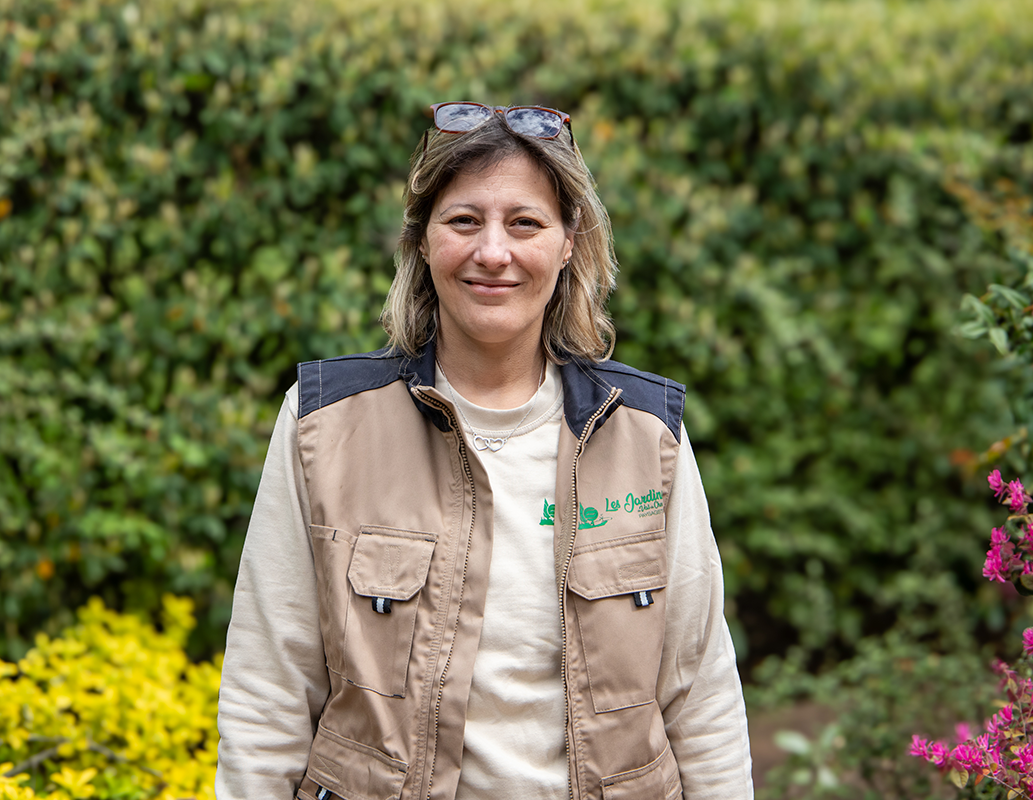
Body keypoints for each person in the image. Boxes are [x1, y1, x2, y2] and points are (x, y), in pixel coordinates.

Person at [216, 102, 753, 800]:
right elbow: (269, 687)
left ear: (567, 244)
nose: (493, 252)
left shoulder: (645, 434)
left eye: (525, 223)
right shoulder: (324, 424)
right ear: (422, 242)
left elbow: (700, 691)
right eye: (464, 221)